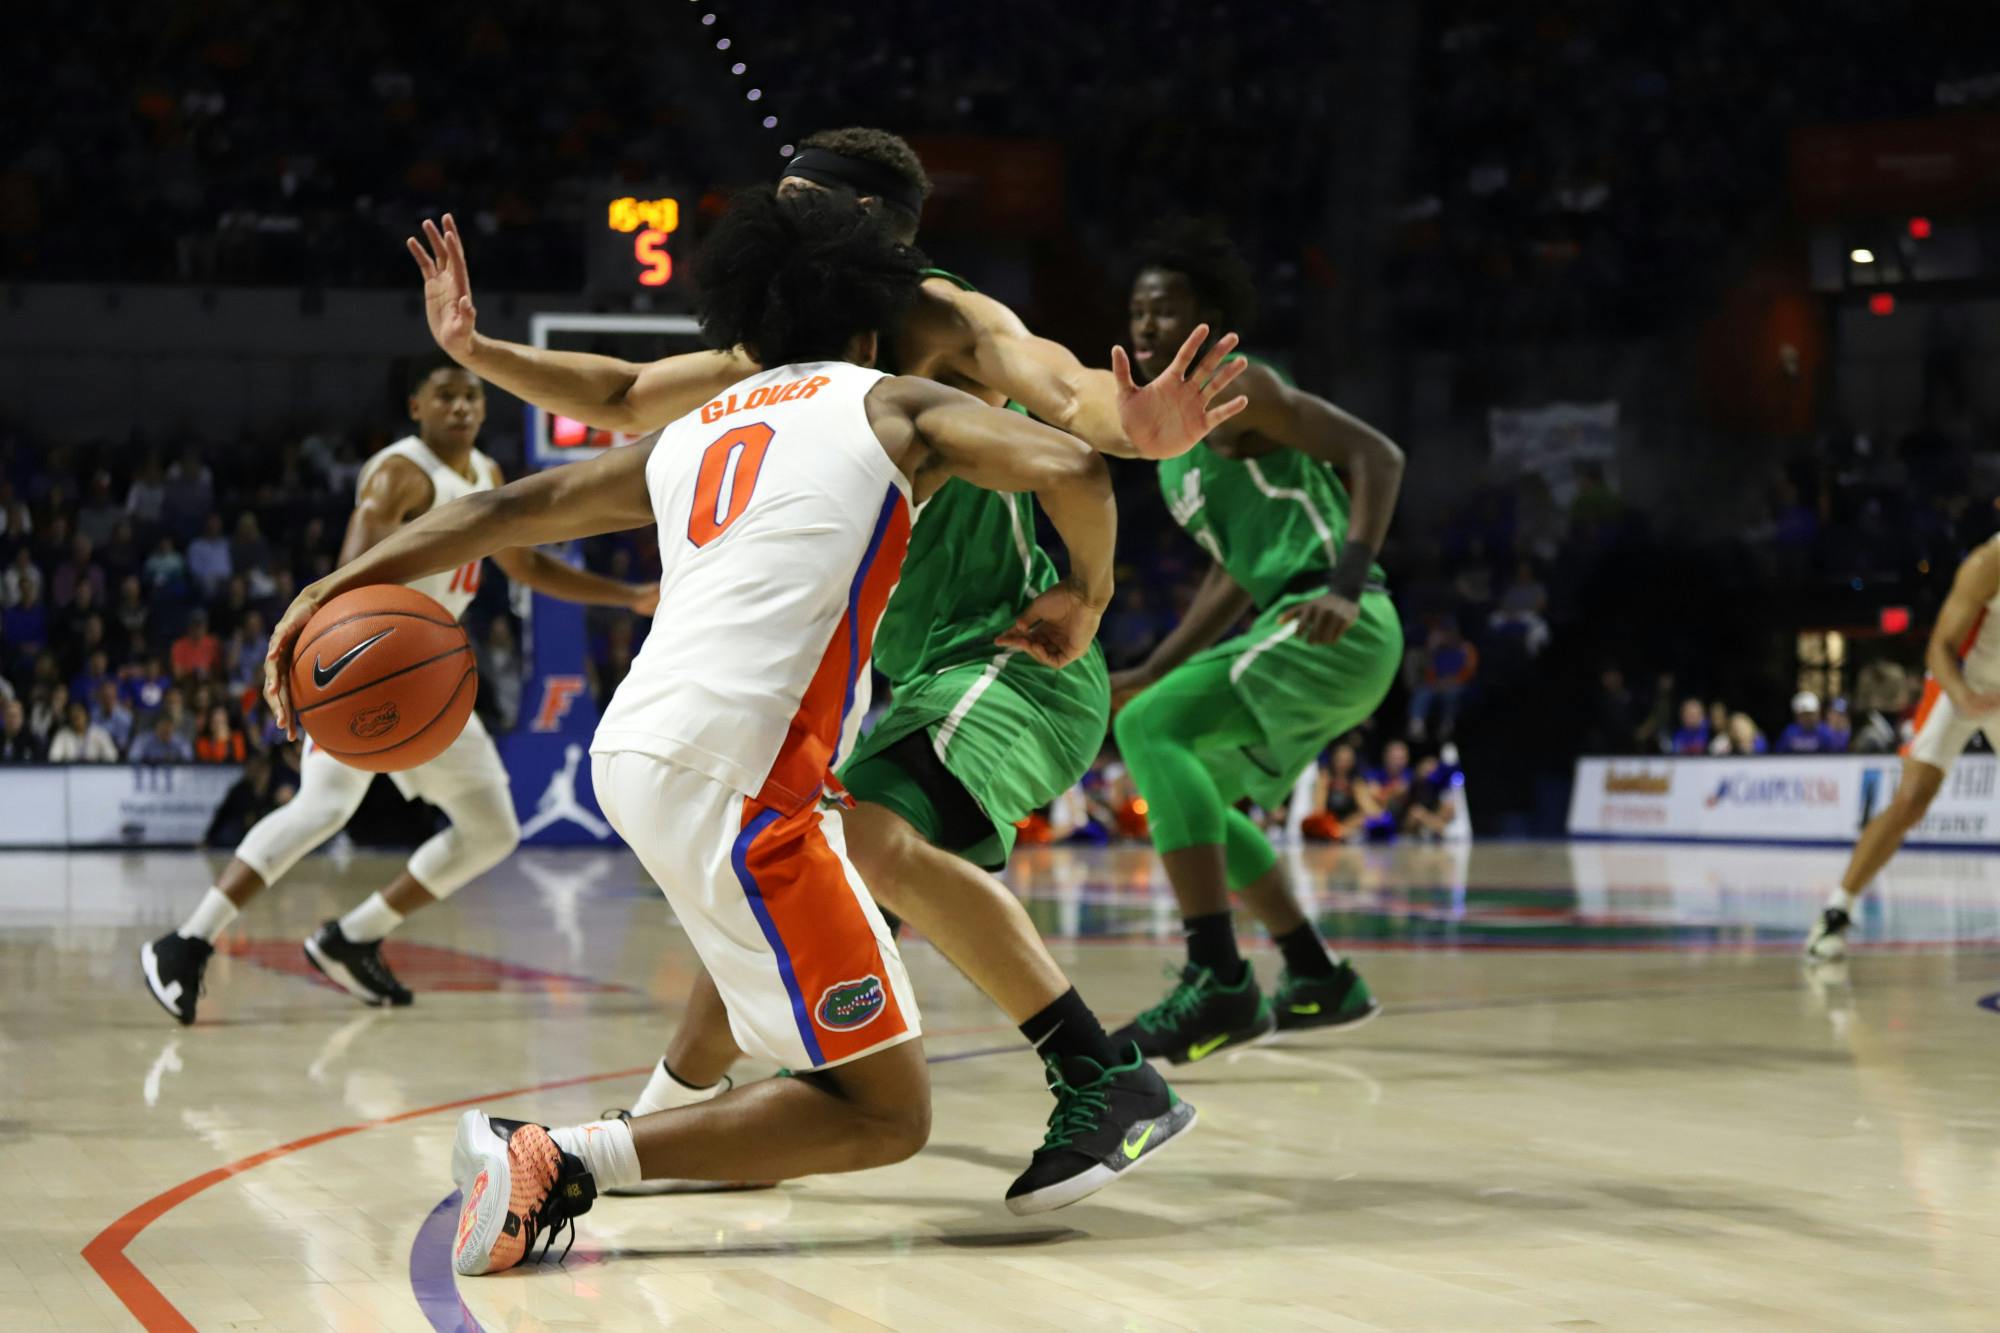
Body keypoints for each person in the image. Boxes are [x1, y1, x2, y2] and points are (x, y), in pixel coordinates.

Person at [270, 187, 1191, 1274]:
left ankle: (659, 1121)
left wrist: (327, 587)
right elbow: (1074, 461)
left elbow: (502, 511)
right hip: (747, 774)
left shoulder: (701, 427)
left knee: (815, 955)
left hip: (634, 758)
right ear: (869, 326)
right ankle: (556, 1158)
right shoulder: (893, 403)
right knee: (884, 1112)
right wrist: (1088, 594)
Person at [140, 360, 659, 1023]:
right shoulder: (399, 474)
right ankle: (185, 941)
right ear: (416, 407)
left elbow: (525, 564)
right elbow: (348, 580)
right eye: (446, 395)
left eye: (472, 395)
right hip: (369, 666)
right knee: (323, 807)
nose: (462, 406)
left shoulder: (488, 474)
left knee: (491, 829)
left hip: (431, 681)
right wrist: (315, 670)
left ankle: (351, 937)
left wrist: (628, 596)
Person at [1107, 220, 1401, 1062]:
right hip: (1296, 621)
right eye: (1138, 310)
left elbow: (1377, 456)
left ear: (1207, 317)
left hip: (1334, 617)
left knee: (1148, 729)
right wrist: (1154, 666)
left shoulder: (1240, 387)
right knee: (1191, 791)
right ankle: (1316, 975)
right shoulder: (1172, 447)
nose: (1148, 324)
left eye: (1166, 308)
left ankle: (1219, 981)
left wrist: (1345, 584)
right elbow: (1233, 572)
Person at [1809, 542, 2000, 960]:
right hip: (1960, 684)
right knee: (1911, 801)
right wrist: (1965, 697)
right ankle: (1837, 910)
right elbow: (1940, 647)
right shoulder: (1988, 563)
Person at [47, 700, 119, 763]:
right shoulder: (62, 735)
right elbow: (53, 757)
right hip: (70, 772)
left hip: (95, 772)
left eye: (79, 713)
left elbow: (112, 756)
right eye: (73, 715)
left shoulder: (100, 733)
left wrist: (97, 762)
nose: (76, 716)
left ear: (86, 715)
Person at [0, 698, 39, 763]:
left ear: (22, 718)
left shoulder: (31, 740)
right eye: (9, 715)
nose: (12, 720)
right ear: (3, 717)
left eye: (15, 716)